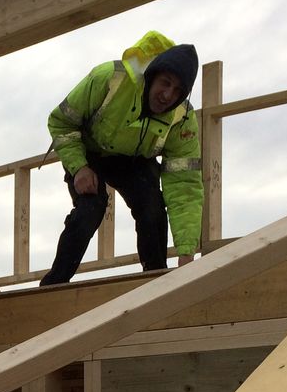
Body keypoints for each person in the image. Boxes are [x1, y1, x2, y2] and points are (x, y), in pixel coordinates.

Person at [40, 32, 203, 286]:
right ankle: (54, 285)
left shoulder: (182, 119)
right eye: (165, 83)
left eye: (178, 91)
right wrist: (79, 167)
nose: (167, 95)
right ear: (152, 75)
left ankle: (156, 282)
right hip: (90, 150)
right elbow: (60, 122)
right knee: (91, 207)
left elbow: (185, 186)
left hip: (133, 160)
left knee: (151, 206)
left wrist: (186, 252)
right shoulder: (110, 79)